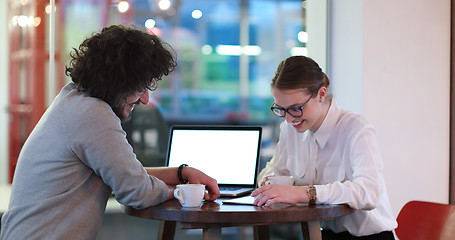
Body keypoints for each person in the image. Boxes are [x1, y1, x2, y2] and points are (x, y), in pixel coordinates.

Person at [0, 25, 220, 240]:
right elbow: (137, 191)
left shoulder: (73, 101)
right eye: (141, 87)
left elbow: (124, 173)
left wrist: (181, 173)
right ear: (117, 81)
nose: (144, 99)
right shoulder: (92, 113)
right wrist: (184, 192)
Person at [251, 56, 397, 239]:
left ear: (321, 94)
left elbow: (369, 192)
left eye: (296, 108)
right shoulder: (289, 129)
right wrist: (271, 185)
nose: (288, 118)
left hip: (370, 236)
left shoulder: (355, 128)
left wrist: (304, 193)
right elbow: (273, 171)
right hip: (320, 234)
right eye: (281, 109)